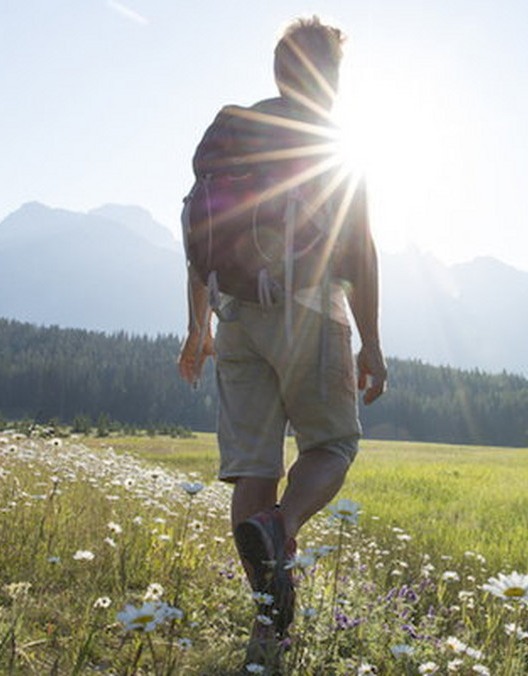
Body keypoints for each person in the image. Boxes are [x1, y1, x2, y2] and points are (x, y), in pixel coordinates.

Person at [176, 14, 387, 659]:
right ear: (331, 77)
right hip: (310, 311)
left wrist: (198, 327)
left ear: (277, 69)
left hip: (236, 315)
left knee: (253, 467)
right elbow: (363, 251)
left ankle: (267, 629)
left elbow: (196, 232)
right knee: (333, 444)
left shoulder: (231, 136)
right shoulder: (333, 141)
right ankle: (283, 526)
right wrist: (372, 342)